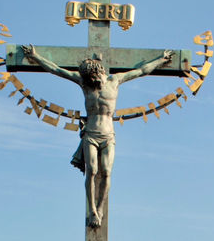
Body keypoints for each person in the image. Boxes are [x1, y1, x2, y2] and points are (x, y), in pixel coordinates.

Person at [22, 46, 174, 228]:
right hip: (91, 134)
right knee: (92, 170)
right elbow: (57, 70)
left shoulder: (115, 81)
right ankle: (92, 210)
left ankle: (100, 209)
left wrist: (160, 60)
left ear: (96, 72)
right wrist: (36, 57)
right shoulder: (85, 84)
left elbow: (141, 71)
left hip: (108, 134)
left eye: (89, 76)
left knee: (107, 171)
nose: (89, 80)